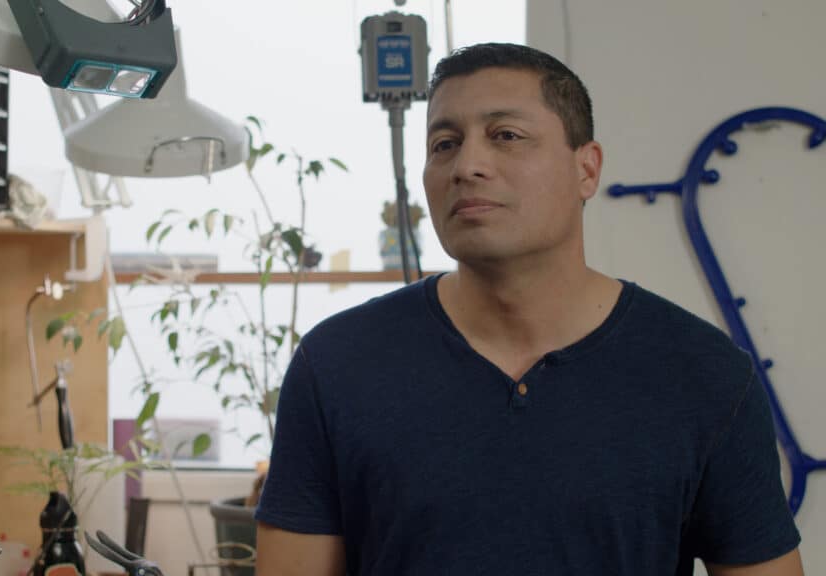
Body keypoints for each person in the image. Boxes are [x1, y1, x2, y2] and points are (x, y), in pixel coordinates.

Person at [253, 43, 803, 575]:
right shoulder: (339, 365)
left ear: (586, 169)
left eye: (506, 135)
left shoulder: (705, 375)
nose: (467, 165)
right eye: (444, 143)